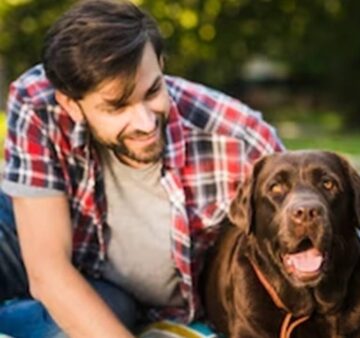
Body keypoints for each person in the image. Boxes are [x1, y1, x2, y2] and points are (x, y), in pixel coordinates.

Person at [0, 0, 283, 337]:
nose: (146, 122)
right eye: (117, 107)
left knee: (66, 324)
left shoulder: (241, 140)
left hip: (124, 294)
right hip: (39, 240)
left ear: (161, 65)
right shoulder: (39, 102)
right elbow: (48, 270)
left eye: (152, 91)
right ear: (71, 105)